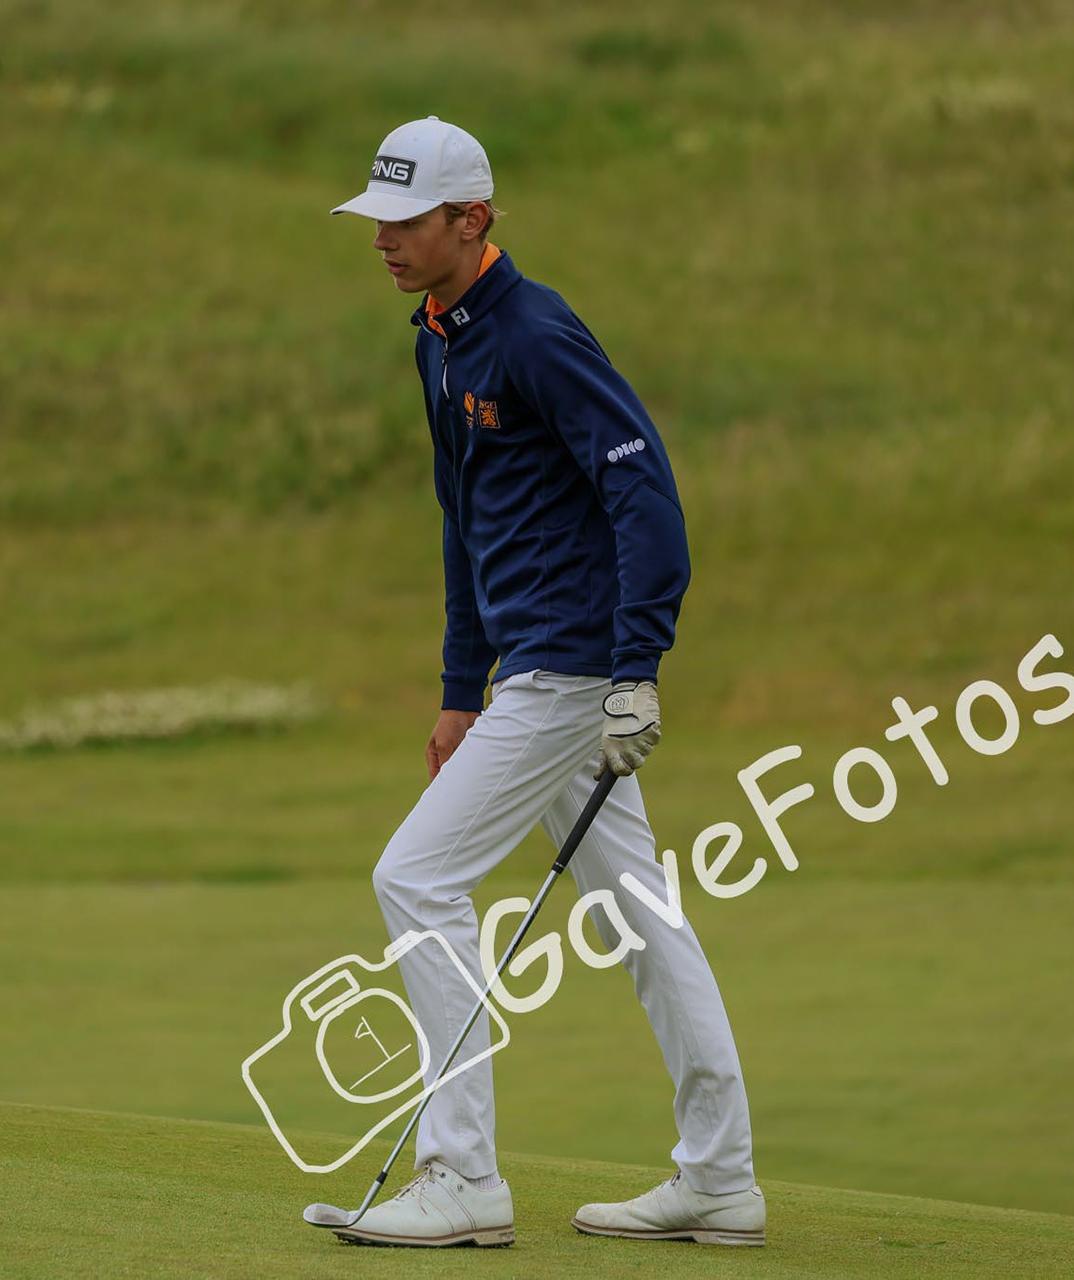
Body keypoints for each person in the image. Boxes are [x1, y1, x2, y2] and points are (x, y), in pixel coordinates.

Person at [323, 116, 767, 1248]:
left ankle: (462, 1176)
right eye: (377, 220)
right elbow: (463, 521)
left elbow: (644, 492)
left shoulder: (535, 332)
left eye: (406, 221)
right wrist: (457, 687)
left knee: (415, 876)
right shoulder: (437, 342)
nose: (383, 239)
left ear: (471, 220)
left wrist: (636, 670)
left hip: (572, 671)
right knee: (643, 916)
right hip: (528, 668)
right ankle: (721, 1178)